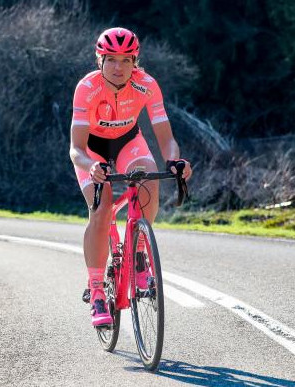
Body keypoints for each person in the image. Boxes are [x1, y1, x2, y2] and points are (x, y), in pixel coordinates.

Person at [69, 27, 192, 327]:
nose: (119, 67)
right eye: (112, 59)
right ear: (100, 59)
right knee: (101, 208)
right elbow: (75, 149)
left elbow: (166, 138)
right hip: (91, 149)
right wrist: (91, 166)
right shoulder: (87, 87)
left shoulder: (147, 84)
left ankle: (138, 254)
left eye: (127, 60)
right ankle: (97, 289)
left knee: (149, 178)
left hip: (128, 141)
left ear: (135, 61)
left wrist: (175, 161)